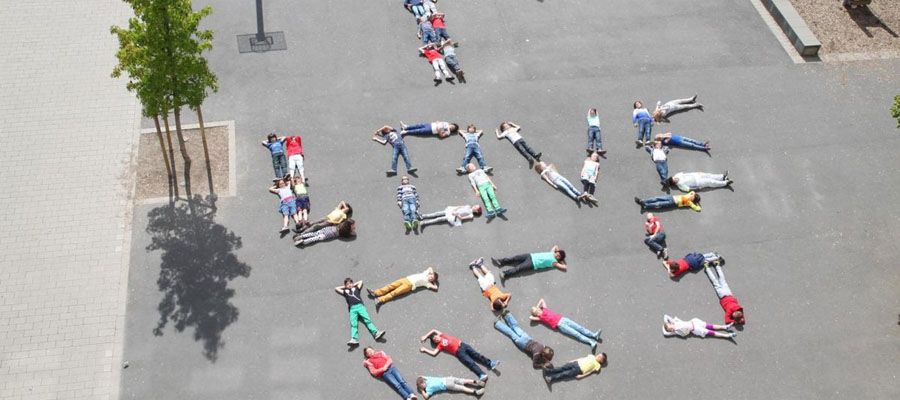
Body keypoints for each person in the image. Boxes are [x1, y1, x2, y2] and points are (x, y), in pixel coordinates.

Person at [420, 330, 499, 381]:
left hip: (462, 345)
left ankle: (490, 363)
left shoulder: (442, 335)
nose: (436, 339)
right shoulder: (440, 345)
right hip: (458, 352)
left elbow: (433, 330)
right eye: (434, 340)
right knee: (470, 363)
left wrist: (425, 336)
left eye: (435, 337)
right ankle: (481, 374)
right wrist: (425, 350)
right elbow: (434, 353)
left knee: (477, 355)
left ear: (438, 335)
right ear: (436, 342)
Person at [529, 298, 601, 352]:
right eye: (536, 312)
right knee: (577, 334)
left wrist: (537, 306)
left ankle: (594, 335)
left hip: (564, 319)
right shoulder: (540, 318)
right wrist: (536, 313)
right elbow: (531, 317)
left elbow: (542, 300)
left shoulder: (545, 309)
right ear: (536, 315)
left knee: (580, 328)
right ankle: (591, 342)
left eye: (537, 310)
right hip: (560, 325)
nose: (538, 312)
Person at [335, 278, 386, 346]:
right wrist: (345, 287)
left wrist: (353, 285)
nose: (349, 285)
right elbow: (336, 288)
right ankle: (354, 339)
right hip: (352, 309)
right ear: (345, 286)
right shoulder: (345, 292)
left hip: (360, 306)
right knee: (354, 324)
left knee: (367, 320)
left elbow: (361, 281)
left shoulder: (356, 289)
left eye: (350, 283)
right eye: (347, 284)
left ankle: (376, 333)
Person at [368, 267, 439, 306]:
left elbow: (436, 288)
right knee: (390, 286)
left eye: (432, 279)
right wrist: (432, 273)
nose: (430, 278)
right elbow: (430, 268)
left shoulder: (427, 283)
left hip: (409, 285)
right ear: (430, 274)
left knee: (394, 293)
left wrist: (434, 282)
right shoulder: (425, 273)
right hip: (405, 279)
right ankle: (375, 293)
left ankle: (380, 300)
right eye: (431, 276)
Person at [491, 245, 567, 282]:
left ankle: (505, 274)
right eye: (558, 253)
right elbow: (556, 246)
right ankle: (500, 261)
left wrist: (562, 260)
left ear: (559, 259)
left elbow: (565, 267)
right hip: (530, 255)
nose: (557, 255)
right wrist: (558, 252)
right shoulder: (551, 252)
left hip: (533, 264)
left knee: (518, 268)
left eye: (559, 256)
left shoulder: (554, 263)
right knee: (514, 258)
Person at [542, 353, 607, 385]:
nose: (598, 356)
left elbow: (590, 372)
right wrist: (573, 360)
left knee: (564, 374)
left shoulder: (598, 365)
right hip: (576, 363)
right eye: (599, 354)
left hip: (579, 370)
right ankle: (548, 371)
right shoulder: (591, 356)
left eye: (600, 357)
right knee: (562, 368)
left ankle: (551, 379)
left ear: (601, 361)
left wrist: (582, 376)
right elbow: (582, 358)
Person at [662, 315, 735, 339]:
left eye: (669, 327)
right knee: (711, 332)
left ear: (669, 324)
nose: (671, 328)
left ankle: (725, 327)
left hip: (694, 322)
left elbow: (665, 316)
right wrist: (669, 330)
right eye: (670, 329)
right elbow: (665, 334)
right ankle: (727, 335)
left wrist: (665, 323)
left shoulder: (674, 322)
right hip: (695, 329)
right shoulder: (676, 332)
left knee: (711, 326)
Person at [416, 376, 484, 399]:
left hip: (447, 385)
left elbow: (426, 397)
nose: (423, 387)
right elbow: (421, 376)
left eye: (422, 386)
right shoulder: (428, 378)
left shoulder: (429, 389)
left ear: (422, 384)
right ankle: (476, 382)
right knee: (462, 380)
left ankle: (476, 392)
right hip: (447, 378)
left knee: (462, 388)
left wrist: (422, 390)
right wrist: (420, 378)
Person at [635, 191, 701, 212]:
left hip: (672, 203)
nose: (692, 196)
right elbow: (693, 192)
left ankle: (645, 205)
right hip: (671, 197)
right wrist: (694, 195)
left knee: (658, 204)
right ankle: (643, 201)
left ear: (693, 199)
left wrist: (697, 204)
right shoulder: (690, 194)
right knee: (656, 198)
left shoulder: (689, 203)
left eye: (693, 197)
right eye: (693, 195)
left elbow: (698, 209)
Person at [667, 171, 733, 192]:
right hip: (698, 182)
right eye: (674, 180)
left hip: (696, 175)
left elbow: (686, 173)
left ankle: (723, 177)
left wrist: (697, 172)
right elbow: (688, 189)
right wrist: (697, 189)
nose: (675, 178)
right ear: (675, 183)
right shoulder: (680, 185)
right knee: (710, 182)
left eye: (674, 178)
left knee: (710, 175)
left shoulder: (677, 175)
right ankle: (725, 183)